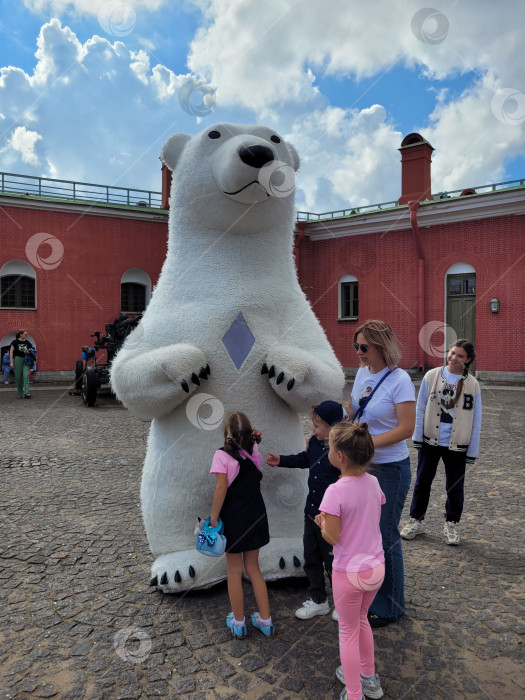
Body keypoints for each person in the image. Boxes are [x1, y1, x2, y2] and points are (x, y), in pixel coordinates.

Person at [345, 320, 415, 627]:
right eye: (356, 346)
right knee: (365, 534)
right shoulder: (362, 373)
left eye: (364, 347)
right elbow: (356, 407)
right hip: (362, 465)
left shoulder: (400, 380)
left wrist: (367, 443)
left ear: (381, 347)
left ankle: (392, 606)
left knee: (386, 537)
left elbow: (406, 428)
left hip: (390, 468)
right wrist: (338, 416)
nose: (359, 352)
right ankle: (371, 591)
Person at [316, 422, 385, 700]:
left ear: (340, 456)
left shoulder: (335, 491)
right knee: (362, 621)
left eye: (329, 447)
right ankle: (369, 678)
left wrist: (322, 523)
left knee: (347, 631)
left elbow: (332, 537)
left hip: (348, 573)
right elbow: (367, 516)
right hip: (375, 567)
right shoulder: (374, 482)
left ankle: (354, 693)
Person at [266, 400, 344, 620]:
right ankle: (319, 600)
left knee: (334, 562)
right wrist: (281, 460)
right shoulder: (315, 444)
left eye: (318, 426)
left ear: (333, 427)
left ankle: (342, 602)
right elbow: (303, 459)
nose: (313, 429)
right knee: (311, 557)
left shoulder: (341, 451)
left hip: (332, 518)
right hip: (311, 513)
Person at [401, 339, 482, 545]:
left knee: (454, 486)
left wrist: (472, 450)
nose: (454, 357)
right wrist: (418, 437)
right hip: (431, 441)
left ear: (468, 359)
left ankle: (451, 523)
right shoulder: (432, 376)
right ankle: (415, 520)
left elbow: (476, 418)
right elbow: (420, 408)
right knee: (422, 481)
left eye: (460, 355)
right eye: (452, 353)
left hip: (457, 445)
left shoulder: (472, 384)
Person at [210, 411, 275, 638]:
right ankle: (265, 620)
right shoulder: (253, 450)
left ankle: (238, 622)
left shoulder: (221, 456)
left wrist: (214, 518)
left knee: (234, 571)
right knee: (254, 569)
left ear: (227, 435)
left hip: (234, 518)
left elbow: (221, 489)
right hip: (255, 515)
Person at [10, 330, 34, 399]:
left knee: (26, 375)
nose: (26, 335)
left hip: (26, 360)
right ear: (21, 334)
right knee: (18, 377)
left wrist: (28, 351)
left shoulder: (27, 342)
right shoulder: (15, 342)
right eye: (25, 334)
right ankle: (19, 393)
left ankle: (26, 392)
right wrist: (11, 362)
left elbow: (32, 350)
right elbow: (11, 352)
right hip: (18, 359)